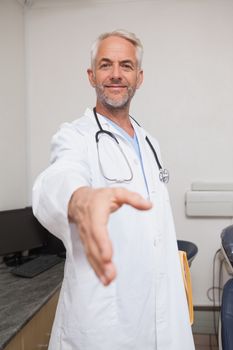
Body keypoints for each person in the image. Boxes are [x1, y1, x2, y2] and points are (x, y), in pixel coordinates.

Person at [32, 29, 195, 350]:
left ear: (140, 77)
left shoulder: (150, 143)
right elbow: (58, 179)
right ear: (91, 75)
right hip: (104, 318)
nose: (116, 74)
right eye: (106, 65)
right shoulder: (75, 136)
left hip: (158, 308)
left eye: (126, 65)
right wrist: (80, 200)